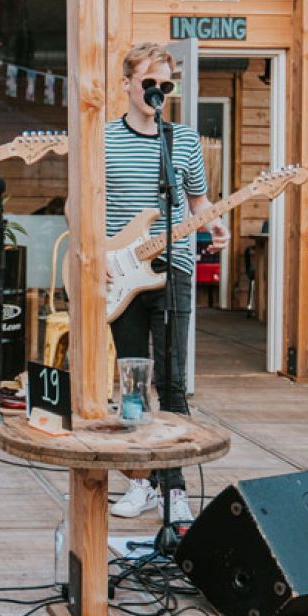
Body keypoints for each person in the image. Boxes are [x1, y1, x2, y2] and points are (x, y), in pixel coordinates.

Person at [104, 42, 230, 522]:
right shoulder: (105, 140)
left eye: (165, 85)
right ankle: (141, 482)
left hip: (174, 267)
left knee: (173, 381)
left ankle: (174, 486)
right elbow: (85, 206)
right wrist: (99, 257)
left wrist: (214, 223)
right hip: (123, 275)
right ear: (127, 84)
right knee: (133, 381)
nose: (157, 92)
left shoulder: (183, 140)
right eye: (148, 83)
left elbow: (198, 203)